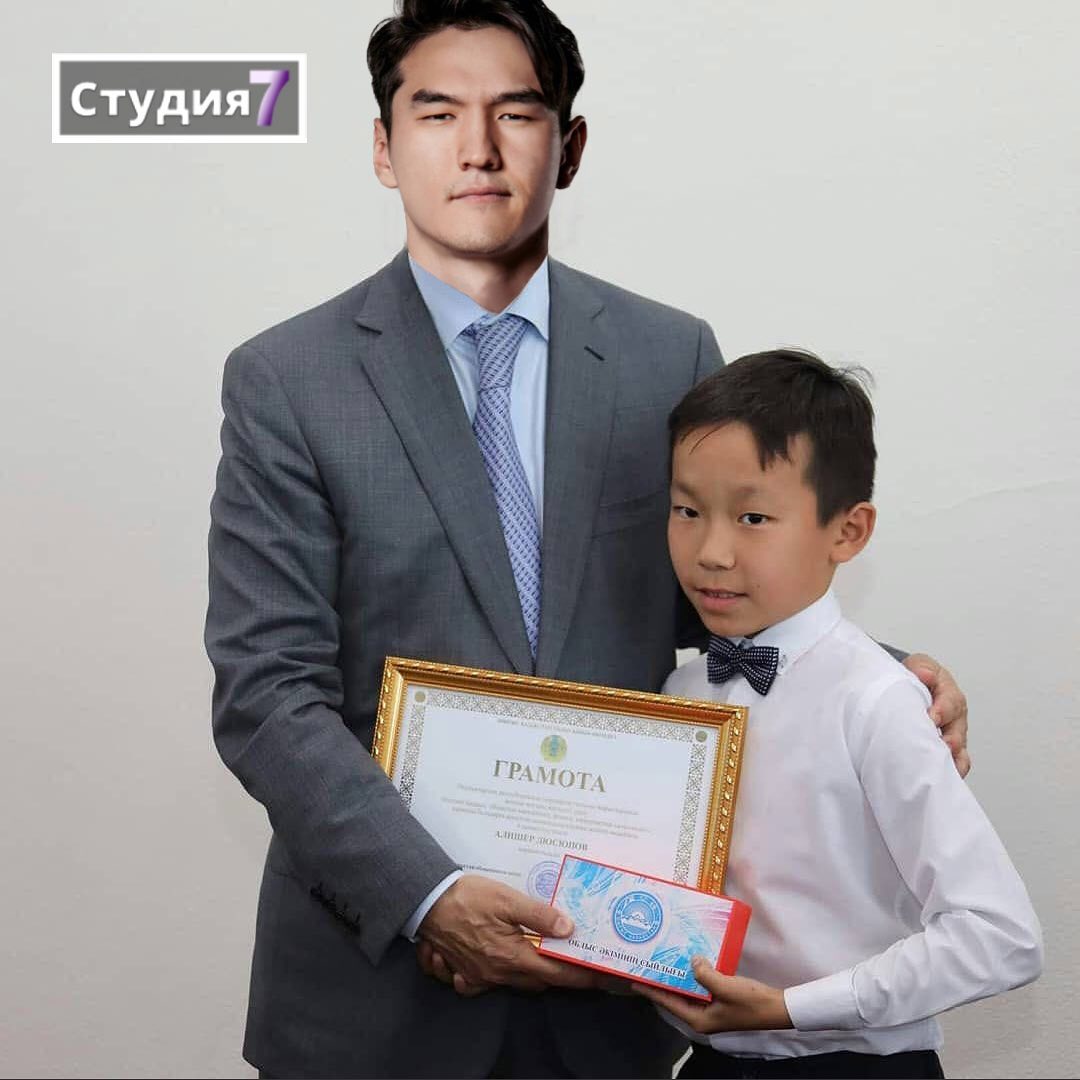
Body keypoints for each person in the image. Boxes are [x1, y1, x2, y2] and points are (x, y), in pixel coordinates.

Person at [204, 2, 969, 1076]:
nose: (478, 148)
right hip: (370, 1007)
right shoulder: (287, 380)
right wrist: (430, 897)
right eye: (437, 113)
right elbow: (267, 690)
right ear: (384, 146)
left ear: (568, 148)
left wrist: (887, 677)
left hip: (611, 991)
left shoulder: (668, 354)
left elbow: (720, 594)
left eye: (517, 113)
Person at [636, 351, 1042, 1079]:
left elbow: (1001, 935)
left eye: (753, 517)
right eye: (687, 511)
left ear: (848, 532)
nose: (712, 552)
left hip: (854, 1064)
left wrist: (793, 1007)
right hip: (708, 1062)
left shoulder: (878, 700)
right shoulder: (682, 689)